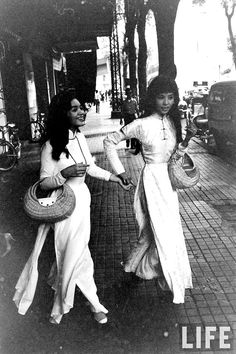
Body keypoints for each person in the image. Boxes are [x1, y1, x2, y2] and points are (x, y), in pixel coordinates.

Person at [13, 89, 131, 325]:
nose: (82, 112)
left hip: (82, 200)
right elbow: (44, 181)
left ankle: (68, 296)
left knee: (74, 252)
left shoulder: (80, 138)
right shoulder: (51, 145)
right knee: (77, 254)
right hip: (64, 205)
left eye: (82, 107)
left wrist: (113, 177)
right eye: (74, 109)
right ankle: (83, 304)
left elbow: (89, 168)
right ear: (63, 113)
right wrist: (63, 174)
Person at [104, 75, 197, 304]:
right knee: (162, 231)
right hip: (152, 182)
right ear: (152, 99)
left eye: (170, 97)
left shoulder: (174, 122)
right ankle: (169, 279)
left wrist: (188, 138)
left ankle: (132, 267)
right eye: (161, 97)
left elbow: (175, 156)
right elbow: (108, 142)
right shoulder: (142, 124)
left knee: (156, 230)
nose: (166, 102)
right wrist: (120, 172)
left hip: (168, 183)